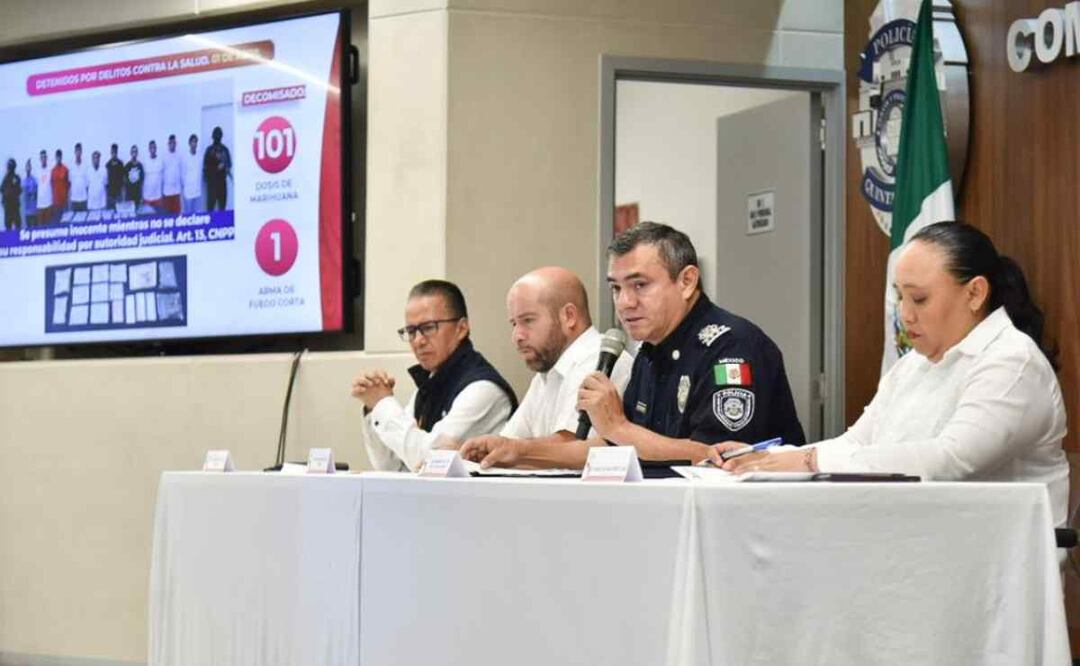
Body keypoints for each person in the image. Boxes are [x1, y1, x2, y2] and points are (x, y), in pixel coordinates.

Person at [720, 222, 1070, 522]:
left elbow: (950, 460)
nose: (905, 315)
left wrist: (809, 460)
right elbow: (856, 442)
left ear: (975, 293)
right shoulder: (913, 363)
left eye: (919, 299)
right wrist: (764, 459)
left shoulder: (1011, 361)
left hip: (993, 558)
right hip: (920, 540)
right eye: (899, 297)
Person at [466, 222, 805, 469]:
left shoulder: (730, 347)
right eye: (616, 289)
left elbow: (713, 456)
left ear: (687, 281)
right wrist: (516, 451)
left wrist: (618, 427)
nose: (624, 303)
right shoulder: (650, 352)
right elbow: (616, 447)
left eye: (640, 285)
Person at [459, 267, 633, 464]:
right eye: (514, 324)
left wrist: (513, 450)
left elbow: (572, 445)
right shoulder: (547, 372)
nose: (517, 336)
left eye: (527, 321)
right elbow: (510, 443)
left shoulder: (597, 360)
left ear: (569, 316)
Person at [352, 280, 518, 471]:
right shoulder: (431, 384)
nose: (418, 341)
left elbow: (431, 461)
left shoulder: (483, 389)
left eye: (429, 327)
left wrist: (384, 404)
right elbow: (392, 466)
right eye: (411, 331)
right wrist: (374, 408)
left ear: (461, 328)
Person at [203, 126, 231, 211]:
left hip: (222, 183)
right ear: (213, 137)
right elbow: (205, 167)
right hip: (212, 184)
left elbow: (229, 164)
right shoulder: (209, 150)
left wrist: (225, 166)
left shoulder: (225, 149)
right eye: (216, 135)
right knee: (210, 208)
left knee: (222, 208)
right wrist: (215, 169)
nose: (217, 137)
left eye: (219, 135)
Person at [181, 133, 202, 214]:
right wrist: (185, 187)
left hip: (197, 190)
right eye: (193, 142)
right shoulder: (185, 157)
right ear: (189, 143)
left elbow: (200, 172)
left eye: (196, 142)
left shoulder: (199, 156)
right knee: (188, 214)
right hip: (188, 191)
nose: (194, 144)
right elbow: (183, 174)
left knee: (197, 214)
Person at [161, 134, 182, 215]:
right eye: (170, 143)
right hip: (167, 191)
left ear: (176, 144)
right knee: (167, 215)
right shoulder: (164, 156)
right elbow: (162, 174)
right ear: (168, 144)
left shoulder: (179, 156)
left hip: (176, 191)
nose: (172, 144)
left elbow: (181, 171)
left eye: (174, 143)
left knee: (177, 214)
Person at [143, 140, 164, 213]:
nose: (153, 149)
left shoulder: (160, 160)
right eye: (151, 148)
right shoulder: (145, 161)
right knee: (147, 219)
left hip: (158, 196)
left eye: (154, 147)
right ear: (149, 149)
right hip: (147, 196)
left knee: (158, 219)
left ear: (156, 149)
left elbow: (163, 177)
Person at [1, 159, 21, 231]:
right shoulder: (5, 178)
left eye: (10, 165)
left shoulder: (16, 177)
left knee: (18, 224)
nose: (8, 167)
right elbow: (2, 189)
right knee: (8, 225)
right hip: (8, 206)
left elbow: (18, 190)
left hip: (15, 206)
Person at [69, 143, 89, 212]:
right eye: (77, 150)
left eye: (79, 150)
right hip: (74, 199)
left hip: (84, 199)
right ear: (74, 152)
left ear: (81, 152)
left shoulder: (86, 165)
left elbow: (87, 183)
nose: (78, 152)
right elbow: (70, 181)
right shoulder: (71, 166)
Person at [124, 145, 144, 210]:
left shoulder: (140, 166)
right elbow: (125, 181)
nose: (134, 153)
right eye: (133, 151)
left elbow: (141, 181)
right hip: (129, 196)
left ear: (137, 153)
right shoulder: (127, 166)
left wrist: (141, 196)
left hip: (138, 196)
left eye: (135, 151)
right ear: (130, 153)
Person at [105, 143, 125, 210]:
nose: (114, 153)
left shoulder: (121, 164)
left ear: (117, 152)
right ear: (111, 152)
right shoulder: (108, 164)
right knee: (110, 212)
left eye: (115, 152)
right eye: (112, 152)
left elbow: (123, 178)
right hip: (110, 194)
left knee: (119, 212)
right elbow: (106, 180)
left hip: (118, 194)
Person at [50, 149, 69, 215]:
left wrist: (66, 197)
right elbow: (52, 185)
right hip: (56, 202)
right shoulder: (53, 170)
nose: (58, 158)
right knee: (57, 222)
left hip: (64, 202)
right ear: (55, 157)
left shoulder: (65, 169)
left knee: (65, 221)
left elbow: (68, 184)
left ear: (61, 157)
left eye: (60, 156)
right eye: (57, 157)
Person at [35, 150, 52, 225]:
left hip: (49, 204)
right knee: (40, 229)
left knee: (49, 228)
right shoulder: (37, 171)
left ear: (47, 158)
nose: (43, 159)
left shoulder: (50, 170)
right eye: (42, 157)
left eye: (44, 157)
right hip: (40, 205)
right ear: (40, 159)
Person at [21, 159, 36, 228]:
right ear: (25, 168)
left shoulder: (34, 180)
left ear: (31, 168)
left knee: (34, 229)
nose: (28, 168)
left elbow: (35, 194)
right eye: (27, 167)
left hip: (33, 210)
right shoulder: (23, 181)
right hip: (26, 211)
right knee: (28, 228)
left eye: (29, 167)